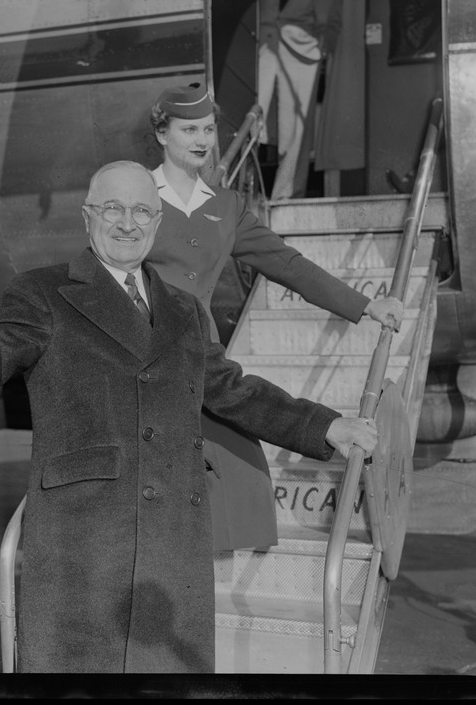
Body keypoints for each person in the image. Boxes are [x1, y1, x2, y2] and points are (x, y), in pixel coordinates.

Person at [0, 160, 377, 674]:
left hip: (173, 546)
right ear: (87, 217)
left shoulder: (184, 310)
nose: (128, 223)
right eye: (113, 208)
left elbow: (230, 389)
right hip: (85, 542)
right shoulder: (42, 294)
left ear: (157, 222)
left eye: (142, 210)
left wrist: (324, 426)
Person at [147, 82, 404, 552]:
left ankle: (198, 564)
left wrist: (365, 305)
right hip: (143, 342)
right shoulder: (138, 193)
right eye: (189, 129)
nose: (202, 140)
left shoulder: (225, 206)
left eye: (208, 129)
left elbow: (285, 264)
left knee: (238, 460)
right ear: (163, 133)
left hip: (200, 352)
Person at [258, 0, 347, 199]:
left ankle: (284, 196)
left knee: (293, 130)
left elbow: (333, 21)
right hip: (259, 45)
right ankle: (234, 190)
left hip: (303, 51)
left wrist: (322, 47)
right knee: (248, 117)